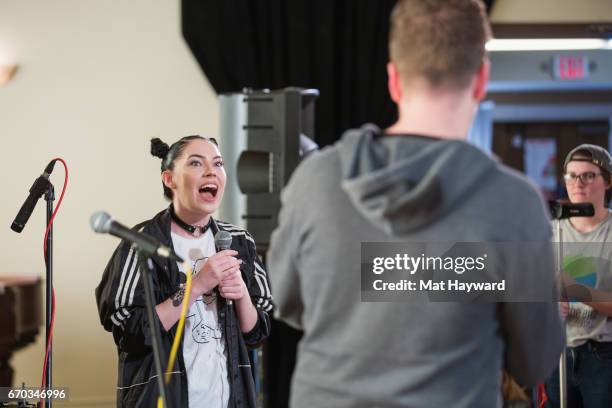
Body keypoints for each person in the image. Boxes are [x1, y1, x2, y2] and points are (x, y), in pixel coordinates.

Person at [267, 0, 564, 407]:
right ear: (481, 80)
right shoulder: (514, 204)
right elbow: (535, 360)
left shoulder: (315, 179)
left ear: (393, 80)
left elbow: (285, 299)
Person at [96, 135, 273, 407]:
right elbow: (129, 333)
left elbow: (257, 334)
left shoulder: (240, 241)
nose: (211, 171)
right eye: (196, 163)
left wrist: (241, 295)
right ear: (170, 179)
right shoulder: (143, 243)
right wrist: (196, 286)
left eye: (218, 163)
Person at [542, 144, 612, 408]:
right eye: (571, 175)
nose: (577, 183)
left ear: (608, 181)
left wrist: (578, 291)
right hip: (556, 353)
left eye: (588, 175)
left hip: (603, 357)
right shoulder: (549, 231)